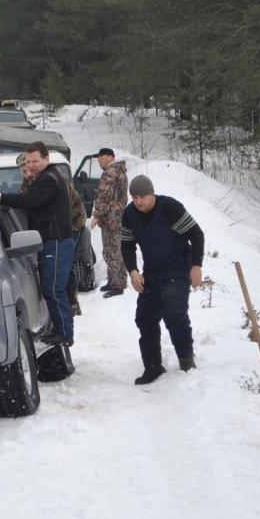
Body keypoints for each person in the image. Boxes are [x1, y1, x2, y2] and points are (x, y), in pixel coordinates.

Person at [0, 142, 75, 346]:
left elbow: (29, 200)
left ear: (46, 159)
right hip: (50, 240)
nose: (31, 165)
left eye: (35, 161)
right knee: (52, 289)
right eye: (28, 162)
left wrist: (2, 197)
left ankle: (64, 334)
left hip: (56, 241)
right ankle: (61, 330)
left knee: (53, 289)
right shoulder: (43, 178)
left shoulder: (49, 179)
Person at [120, 175, 205, 385]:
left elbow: (196, 234)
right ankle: (153, 366)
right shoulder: (130, 214)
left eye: (142, 197)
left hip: (178, 266)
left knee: (174, 312)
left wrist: (196, 266)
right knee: (145, 317)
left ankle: (186, 361)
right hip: (153, 270)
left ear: (152, 194)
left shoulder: (169, 208)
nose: (138, 201)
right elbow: (127, 245)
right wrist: (133, 271)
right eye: (134, 197)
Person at [18, 152, 86, 316]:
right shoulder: (27, 185)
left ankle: (71, 301)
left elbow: (64, 206)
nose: (28, 174)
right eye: (24, 171)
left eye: (30, 170)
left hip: (72, 223)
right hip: (49, 230)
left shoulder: (55, 179)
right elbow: (25, 202)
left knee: (65, 265)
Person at [89, 147, 129, 298]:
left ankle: (118, 285)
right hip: (117, 217)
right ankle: (113, 281)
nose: (99, 161)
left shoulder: (110, 172)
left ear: (110, 157)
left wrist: (96, 215)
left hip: (111, 218)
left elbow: (104, 196)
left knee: (112, 251)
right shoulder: (120, 171)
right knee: (112, 250)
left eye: (101, 158)